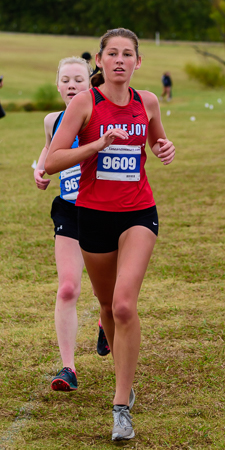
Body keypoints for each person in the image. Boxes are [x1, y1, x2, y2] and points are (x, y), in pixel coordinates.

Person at [45, 28, 175, 440]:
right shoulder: (84, 102)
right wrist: (96, 144)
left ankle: (121, 404)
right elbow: (52, 161)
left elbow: (156, 140)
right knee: (105, 306)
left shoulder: (147, 101)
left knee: (123, 305)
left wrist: (163, 148)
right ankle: (122, 372)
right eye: (113, 54)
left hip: (138, 212)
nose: (120, 60)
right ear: (99, 62)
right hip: (93, 216)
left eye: (128, 54)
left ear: (138, 62)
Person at [34, 56, 109, 393]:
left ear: (89, 81)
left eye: (78, 79)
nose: (71, 86)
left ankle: (104, 321)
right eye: (65, 80)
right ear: (57, 83)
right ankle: (68, 368)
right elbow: (51, 150)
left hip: (105, 210)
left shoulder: (101, 116)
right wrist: (39, 168)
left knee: (107, 291)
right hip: (68, 210)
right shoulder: (53, 119)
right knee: (67, 288)